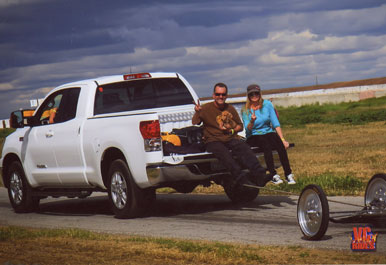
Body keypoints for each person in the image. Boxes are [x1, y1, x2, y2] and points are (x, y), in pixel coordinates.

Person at [192, 82, 269, 188]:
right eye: (218, 94)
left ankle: (260, 176)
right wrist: (197, 112)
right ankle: (241, 179)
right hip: (212, 141)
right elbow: (195, 122)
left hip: (229, 138)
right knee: (225, 155)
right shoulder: (205, 108)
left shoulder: (230, 108)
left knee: (244, 148)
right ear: (214, 95)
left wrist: (232, 130)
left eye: (223, 94)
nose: (220, 97)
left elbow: (240, 126)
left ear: (226, 96)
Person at [241, 84, 296, 185]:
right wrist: (252, 121)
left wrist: (283, 140)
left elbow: (275, 124)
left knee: (279, 143)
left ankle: (288, 174)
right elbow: (248, 130)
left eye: (256, 93)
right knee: (266, 144)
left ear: (260, 94)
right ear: (248, 96)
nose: (254, 96)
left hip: (268, 132)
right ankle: (273, 174)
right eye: (251, 94)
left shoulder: (267, 104)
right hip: (254, 135)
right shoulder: (245, 109)